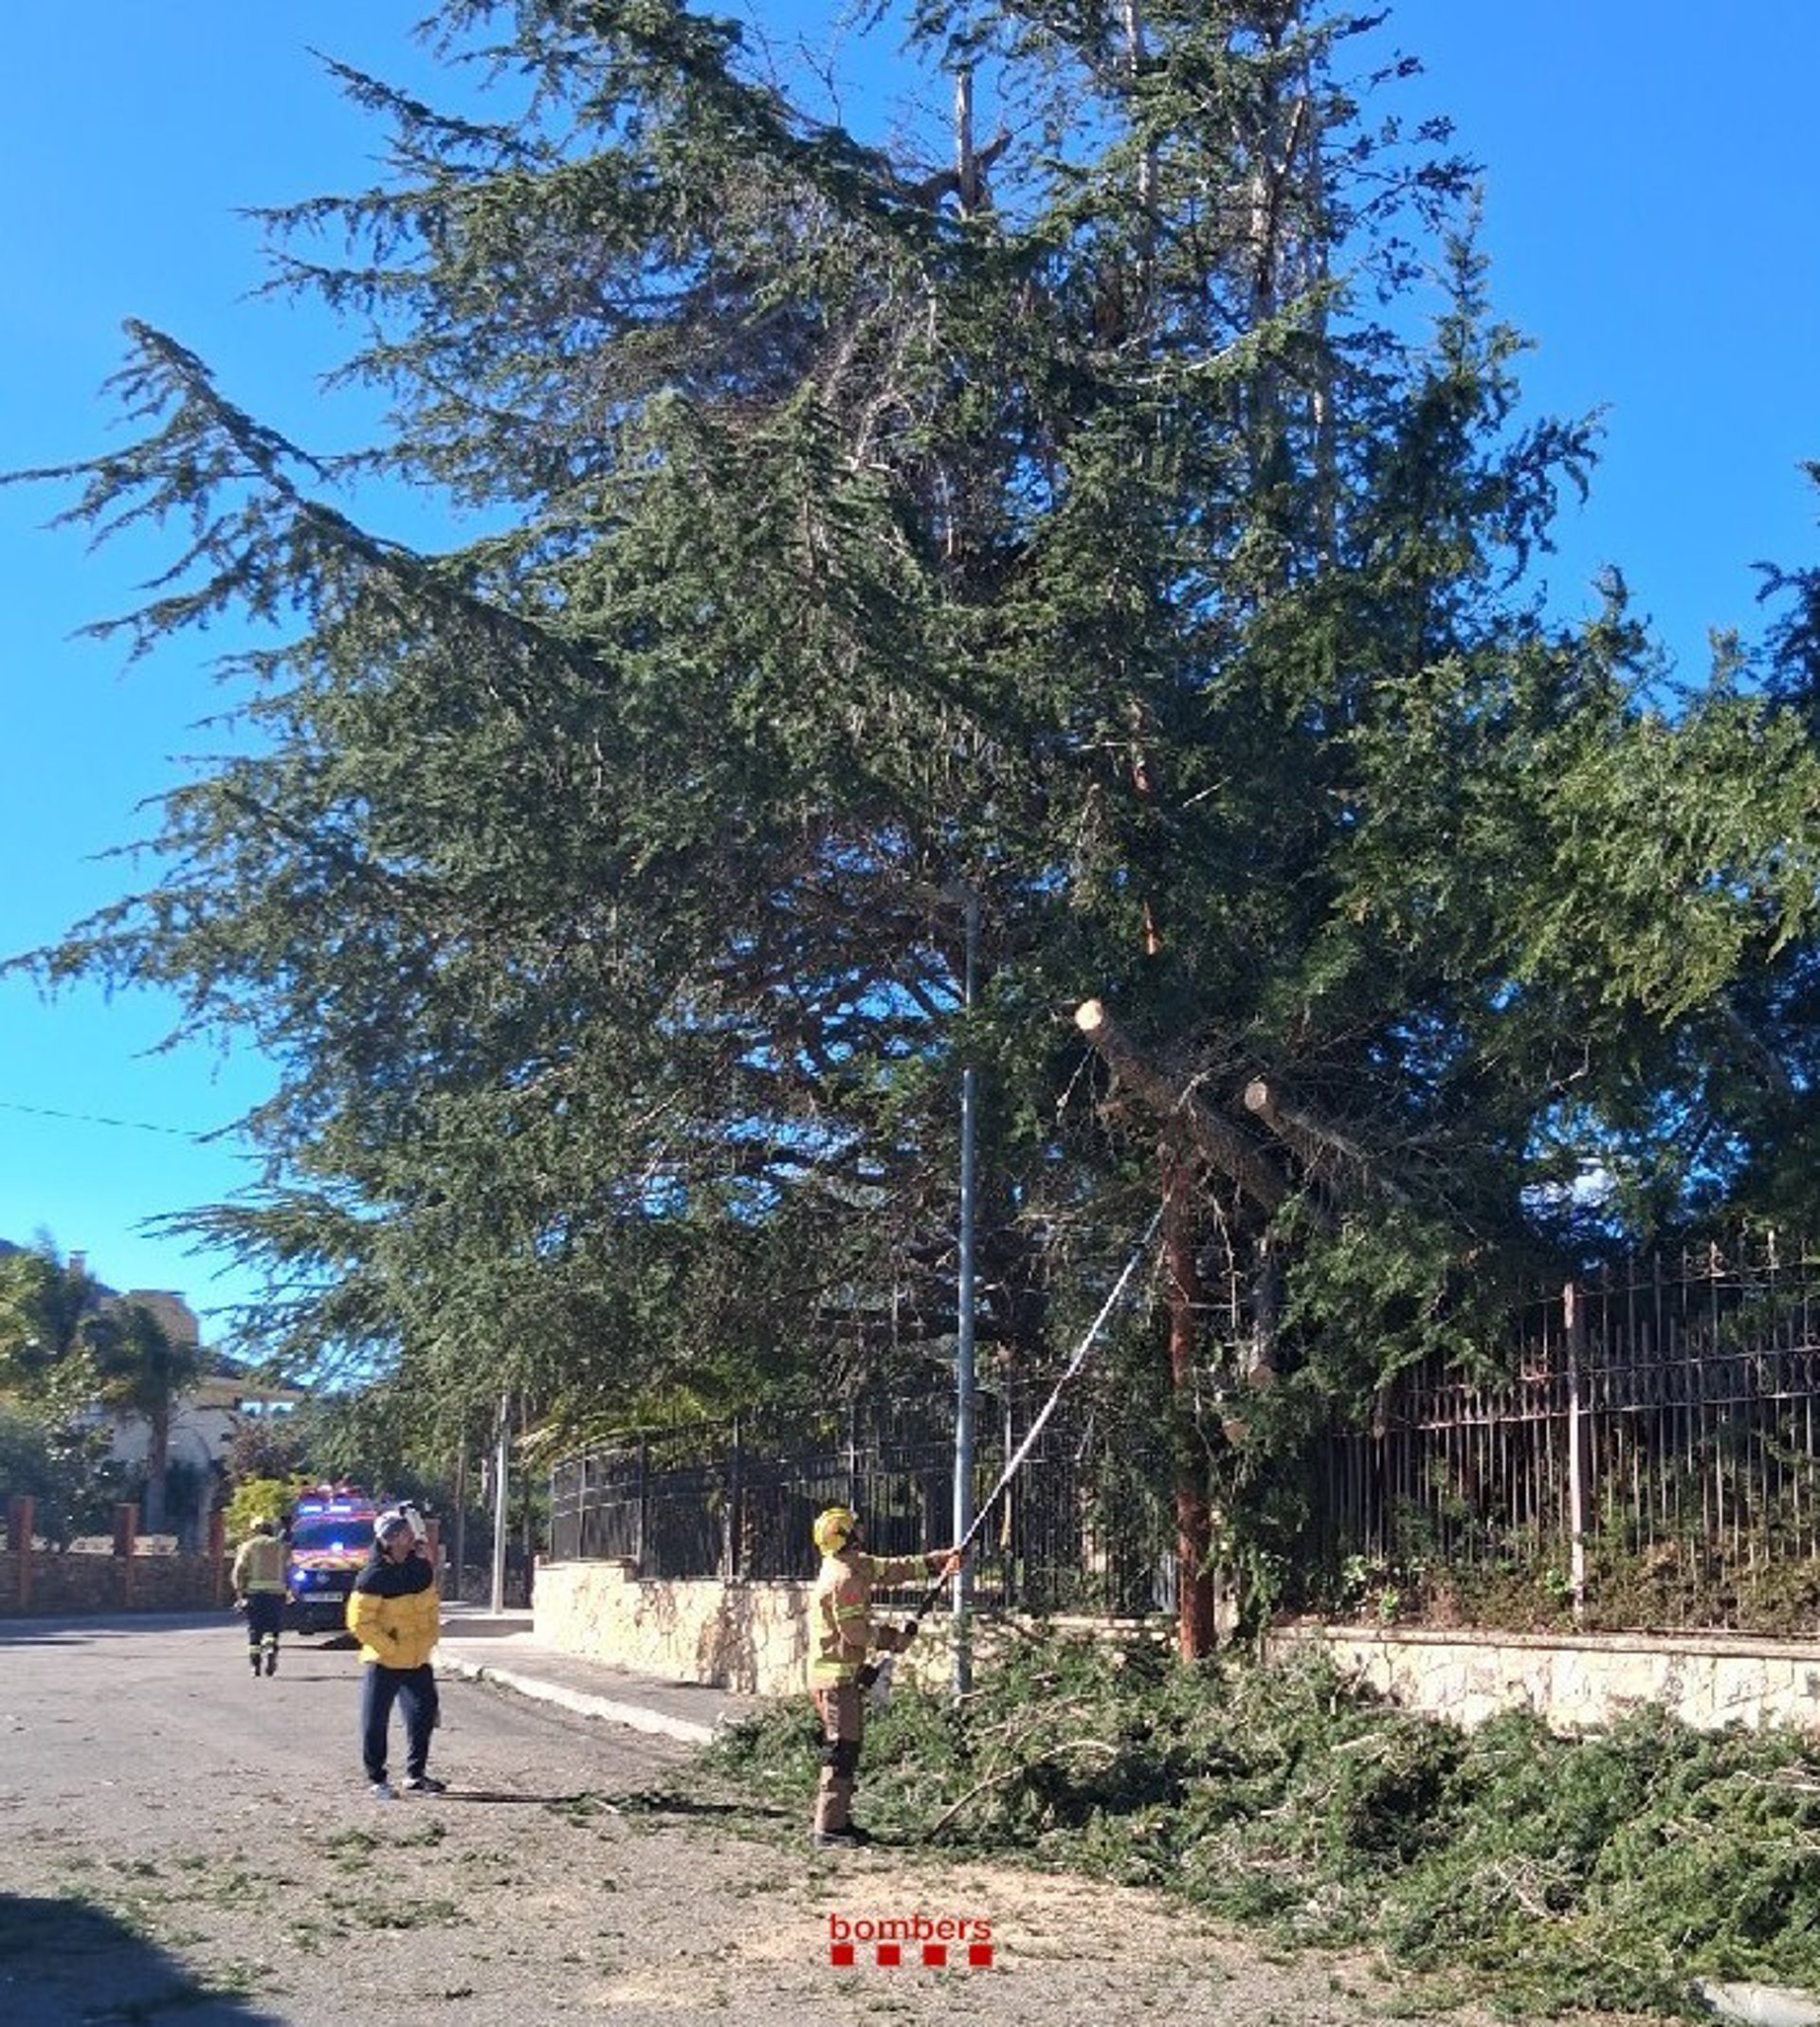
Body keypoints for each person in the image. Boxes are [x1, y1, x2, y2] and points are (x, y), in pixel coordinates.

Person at [807, 1505, 962, 1850]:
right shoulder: (844, 1579)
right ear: (847, 1536)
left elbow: (890, 1569)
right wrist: (894, 1639)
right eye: (856, 1527)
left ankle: (838, 1821)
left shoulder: (851, 1565)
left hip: (843, 1674)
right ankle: (828, 1828)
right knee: (842, 1749)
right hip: (835, 1681)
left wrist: (936, 1562)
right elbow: (855, 1633)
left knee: (848, 1747)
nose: (863, 1529)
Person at [348, 1504, 444, 1800]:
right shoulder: (372, 1576)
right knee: (375, 1721)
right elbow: (359, 1623)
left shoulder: (420, 1569)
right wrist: (391, 1648)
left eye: (406, 1532)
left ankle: (416, 1775)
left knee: (424, 1714)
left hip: (417, 1659)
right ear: (387, 1540)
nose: (406, 1537)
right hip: (384, 1660)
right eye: (399, 1534)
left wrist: (429, 1640)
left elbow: (431, 1608)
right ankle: (377, 1779)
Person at [230, 1518, 289, 1678]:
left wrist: (239, 1593)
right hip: (277, 1593)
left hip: (255, 1594)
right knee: (272, 1627)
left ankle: (255, 1666)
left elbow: (238, 1570)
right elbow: (289, 1567)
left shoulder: (248, 1546)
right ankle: (270, 1648)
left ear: (254, 1530)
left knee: (255, 1629)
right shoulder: (281, 1546)